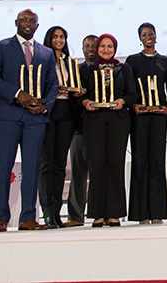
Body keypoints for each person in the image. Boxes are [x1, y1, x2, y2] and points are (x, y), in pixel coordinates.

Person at [0, 9, 58, 231]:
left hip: (35, 118)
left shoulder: (46, 53)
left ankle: (28, 217)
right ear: (16, 22)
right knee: (4, 165)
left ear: (37, 26)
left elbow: (53, 84)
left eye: (32, 21)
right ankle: (1, 218)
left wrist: (45, 106)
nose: (27, 23)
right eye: (23, 20)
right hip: (8, 115)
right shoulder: (1, 47)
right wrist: (18, 94)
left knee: (32, 167)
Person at [81, 34, 135, 227]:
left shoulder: (124, 68)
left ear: (115, 48)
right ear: (96, 48)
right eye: (102, 46)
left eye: (109, 46)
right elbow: (80, 94)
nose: (105, 49)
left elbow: (132, 94)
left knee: (115, 164)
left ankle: (114, 213)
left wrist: (122, 101)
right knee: (96, 165)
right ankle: (97, 213)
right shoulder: (87, 69)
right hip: (94, 120)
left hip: (118, 120)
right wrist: (86, 101)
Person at [126, 23, 167, 224]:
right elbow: (128, 88)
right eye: (144, 34)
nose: (148, 37)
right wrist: (134, 106)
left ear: (156, 36)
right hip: (139, 117)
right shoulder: (132, 61)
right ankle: (140, 213)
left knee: (156, 162)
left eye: (151, 34)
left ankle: (157, 213)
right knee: (139, 161)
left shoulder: (164, 61)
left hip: (159, 117)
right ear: (140, 38)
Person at [38, 26, 82, 228]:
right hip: (49, 110)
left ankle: (56, 212)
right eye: (55, 36)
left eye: (62, 36)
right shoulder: (43, 59)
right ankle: (47, 212)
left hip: (66, 111)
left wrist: (77, 92)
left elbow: (73, 84)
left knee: (60, 165)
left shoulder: (69, 62)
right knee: (47, 162)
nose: (59, 40)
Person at [66, 34, 98, 227]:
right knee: (78, 173)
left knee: (98, 172)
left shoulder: (108, 70)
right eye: (87, 46)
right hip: (78, 128)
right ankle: (76, 216)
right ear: (82, 48)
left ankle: (99, 213)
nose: (91, 49)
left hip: (101, 128)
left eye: (94, 46)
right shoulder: (75, 71)